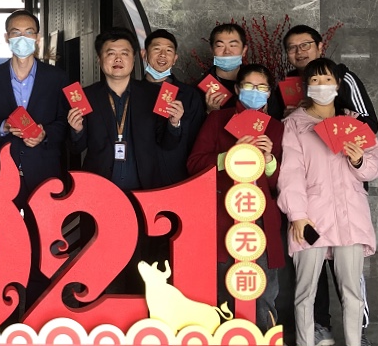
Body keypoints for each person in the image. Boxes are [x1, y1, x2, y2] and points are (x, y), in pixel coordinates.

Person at [277, 57, 378, 346]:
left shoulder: (353, 123)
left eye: (327, 80)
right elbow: (290, 174)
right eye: (315, 80)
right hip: (312, 218)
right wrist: (298, 215)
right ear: (306, 86)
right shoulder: (295, 125)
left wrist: (359, 160)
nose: (321, 86)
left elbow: (376, 166)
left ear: (338, 85)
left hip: (350, 217)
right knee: (306, 288)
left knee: (352, 288)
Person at [68, 28, 183, 292]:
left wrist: (175, 124)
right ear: (100, 59)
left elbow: (167, 144)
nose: (117, 59)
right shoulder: (86, 97)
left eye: (124, 53)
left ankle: (140, 313)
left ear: (135, 59)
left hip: (143, 194)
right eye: (110, 53)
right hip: (100, 195)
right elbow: (76, 148)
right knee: (101, 260)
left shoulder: (153, 95)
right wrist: (76, 130)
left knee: (143, 264)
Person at [187, 63, 284, 331]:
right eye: (249, 86)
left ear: (269, 93)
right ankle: (225, 343)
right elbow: (194, 164)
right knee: (224, 281)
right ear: (238, 89)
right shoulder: (218, 120)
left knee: (262, 284)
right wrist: (228, 156)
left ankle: (263, 342)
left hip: (260, 216)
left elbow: (278, 184)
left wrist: (268, 160)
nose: (255, 92)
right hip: (223, 213)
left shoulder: (276, 128)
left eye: (262, 87)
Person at [0, 9, 69, 204]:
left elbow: (64, 122)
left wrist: (44, 133)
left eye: (29, 32)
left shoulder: (57, 78)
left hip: (43, 171)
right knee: (1, 223)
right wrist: (4, 126)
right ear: (7, 37)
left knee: (42, 224)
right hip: (0, 171)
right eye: (16, 33)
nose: (22, 38)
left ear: (37, 38)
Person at [142, 28, 205, 184]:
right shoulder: (132, 92)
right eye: (157, 49)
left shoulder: (190, 96)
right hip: (140, 177)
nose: (163, 55)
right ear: (144, 54)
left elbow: (197, 142)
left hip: (178, 177)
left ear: (175, 58)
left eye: (169, 51)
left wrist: (176, 124)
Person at [201, 23, 284, 120]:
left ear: (244, 50)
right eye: (220, 46)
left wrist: (264, 117)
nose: (227, 51)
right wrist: (210, 113)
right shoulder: (201, 88)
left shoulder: (260, 82)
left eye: (233, 45)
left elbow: (276, 121)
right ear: (212, 50)